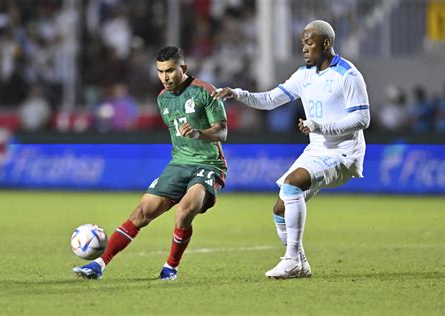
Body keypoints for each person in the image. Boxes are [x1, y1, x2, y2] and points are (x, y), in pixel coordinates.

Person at [212, 20, 370, 279]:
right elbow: (271, 99)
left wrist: (320, 126)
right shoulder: (304, 75)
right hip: (316, 152)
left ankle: (291, 260)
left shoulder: (348, 75)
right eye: (303, 43)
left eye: (310, 42)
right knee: (280, 209)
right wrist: (238, 94)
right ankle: (301, 263)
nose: (305, 48)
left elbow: (362, 120)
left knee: (292, 184)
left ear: (326, 43)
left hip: (343, 154)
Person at [73, 46, 228, 280]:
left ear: (183, 68)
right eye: (160, 72)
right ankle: (99, 264)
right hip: (178, 165)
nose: (165, 77)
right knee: (141, 212)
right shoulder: (163, 99)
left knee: (184, 212)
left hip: (208, 165)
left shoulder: (205, 91)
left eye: (170, 71)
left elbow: (222, 132)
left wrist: (198, 133)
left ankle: (170, 268)